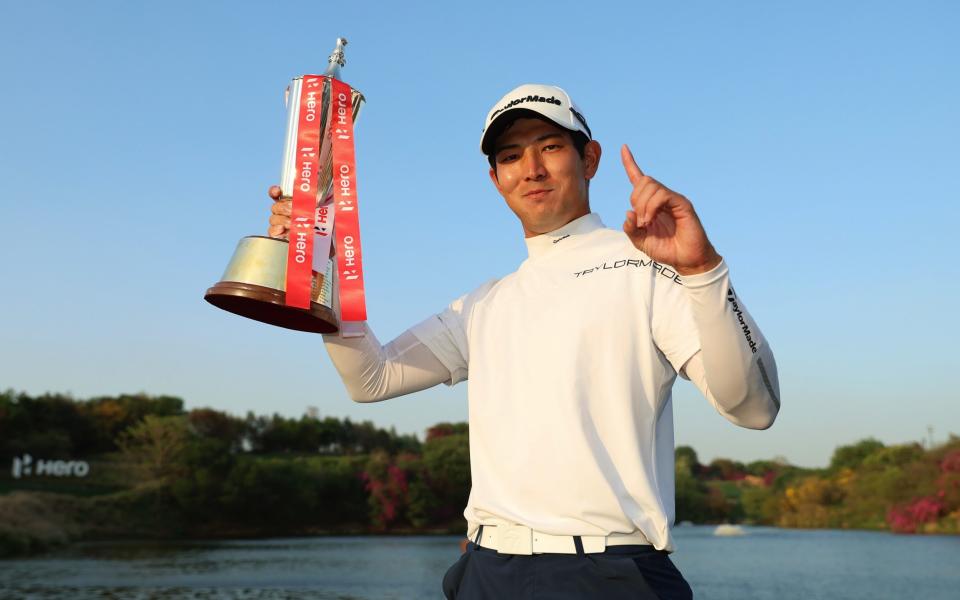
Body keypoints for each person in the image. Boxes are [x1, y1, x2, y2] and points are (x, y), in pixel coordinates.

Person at [267, 83, 780, 599]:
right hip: (488, 571)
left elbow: (754, 408)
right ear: (496, 179)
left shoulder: (650, 267)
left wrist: (701, 269)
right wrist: (317, 262)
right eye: (511, 156)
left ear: (590, 158)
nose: (531, 168)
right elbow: (370, 378)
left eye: (550, 146)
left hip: (608, 574)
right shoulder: (486, 303)